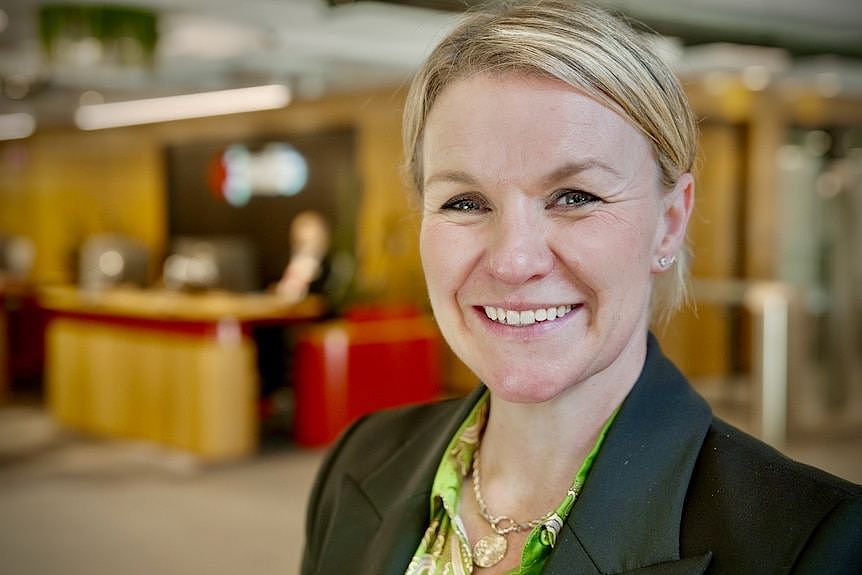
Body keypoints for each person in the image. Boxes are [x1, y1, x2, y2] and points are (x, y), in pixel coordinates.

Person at [301, 1, 862, 573]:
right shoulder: (361, 459)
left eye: (575, 197)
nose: (514, 261)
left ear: (670, 222)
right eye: (464, 202)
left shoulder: (814, 545)